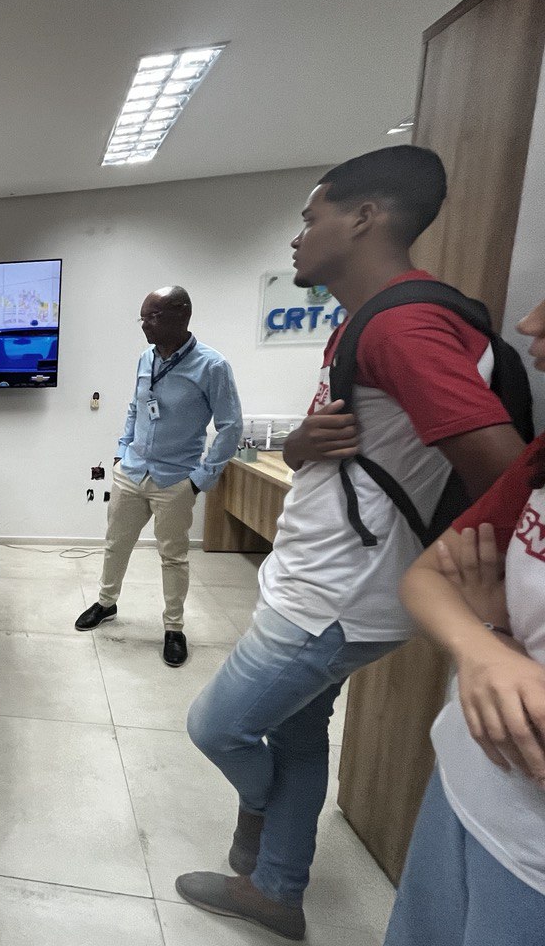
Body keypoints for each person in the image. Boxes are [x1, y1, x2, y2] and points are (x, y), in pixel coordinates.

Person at [176, 145, 527, 941]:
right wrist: (300, 447)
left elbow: (509, 473)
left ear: (365, 217)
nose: (297, 237)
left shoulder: (405, 326)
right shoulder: (365, 324)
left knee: (217, 727)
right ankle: (276, 891)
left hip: (335, 600)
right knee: (297, 735)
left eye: (311, 218)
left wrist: (491, 603)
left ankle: (259, 815)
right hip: (322, 581)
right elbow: (351, 452)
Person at [383, 295, 545, 946]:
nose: (529, 323)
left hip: (531, 866)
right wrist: (487, 642)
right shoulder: (541, 460)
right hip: (464, 786)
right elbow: (428, 577)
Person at [74, 286, 242, 668]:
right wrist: (121, 452)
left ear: (181, 315)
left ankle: (173, 627)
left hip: (176, 479)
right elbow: (135, 407)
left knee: (173, 557)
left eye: (152, 317)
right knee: (116, 543)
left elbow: (231, 426)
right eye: (142, 317)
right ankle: (106, 602)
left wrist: (201, 478)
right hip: (132, 471)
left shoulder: (212, 366)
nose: (144, 325)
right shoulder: (145, 358)